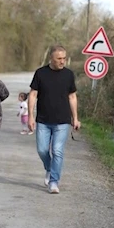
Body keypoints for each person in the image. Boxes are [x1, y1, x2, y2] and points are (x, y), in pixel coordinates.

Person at [28, 45, 80, 194]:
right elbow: (32, 95)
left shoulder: (69, 75)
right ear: (51, 58)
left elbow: (72, 96)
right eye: (59, 59)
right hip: (43, 120)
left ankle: (54, 181)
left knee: (57, 150)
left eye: (64, 58)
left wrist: (75, 118)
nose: (62, 61)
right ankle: (49, 168)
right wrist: (30, 116)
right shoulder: (40, 73)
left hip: (63, 120)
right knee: (42, 150)